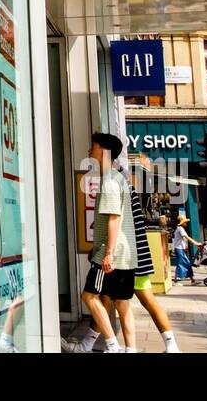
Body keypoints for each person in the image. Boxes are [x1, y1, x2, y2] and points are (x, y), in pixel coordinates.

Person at [66, 133, 136, 353]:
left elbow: (114, 218)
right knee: (122, 303)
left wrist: (107, 253)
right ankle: (130, 350)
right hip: (126, 253)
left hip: (112, 253)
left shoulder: (109, 181)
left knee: (89, 296)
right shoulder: (118, 179)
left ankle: (113, 346)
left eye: (93, 147)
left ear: (104, 152)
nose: (89, 151)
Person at [125, 178, 183, 352]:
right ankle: (171, 344)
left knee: (102, 298)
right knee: (146, 301)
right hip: (137, 255)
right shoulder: (128, 189)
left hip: (129, 257)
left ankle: (115, 346)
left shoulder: (119, 187)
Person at [172, 215, 201, 283]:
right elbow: (187, 237)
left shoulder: (179, 228)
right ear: (182, 222)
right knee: (183, 264)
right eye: (185, 222)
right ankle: (179, 280)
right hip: (179, 249)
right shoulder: (180, 229)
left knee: (183, 263)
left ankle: (190, 280)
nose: (186, 223)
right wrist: (196, 243)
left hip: (180, 249)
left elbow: (181, 240)